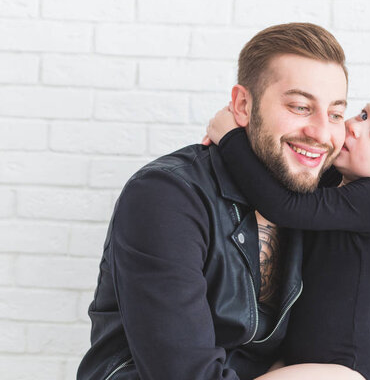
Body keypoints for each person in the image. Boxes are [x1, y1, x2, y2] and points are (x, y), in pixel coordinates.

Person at [77, 23, 349, 380]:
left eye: (336, 113)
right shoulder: (166, 196)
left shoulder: (321, 201)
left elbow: (343, 345)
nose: (322, 133)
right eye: (300, 106)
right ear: (242, 105)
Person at [205, 89, 370, 380]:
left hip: (342, 368)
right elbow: (278, 179)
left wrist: (230, 139)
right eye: (363, 114)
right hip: (299, 359)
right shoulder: (336, 180)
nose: (354, 126)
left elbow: (283, 206)